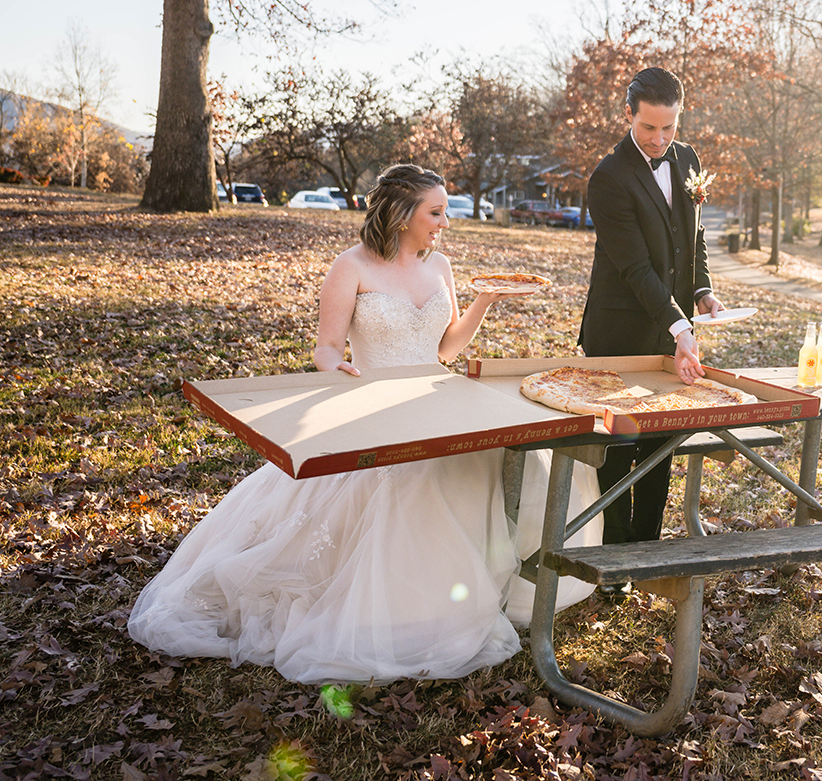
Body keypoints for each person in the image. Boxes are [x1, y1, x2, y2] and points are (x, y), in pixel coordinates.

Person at [128, 164, 600, 684]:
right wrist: (338, 369)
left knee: (502, 463)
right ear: (401, 215)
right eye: (436, 212)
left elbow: (446, 347)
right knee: (403, 484)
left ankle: (474, 588)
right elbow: (326, 348)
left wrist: (484, 300)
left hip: (439, 397)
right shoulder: (350, 266)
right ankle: (400, 609)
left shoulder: (439, 264)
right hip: (375, 405)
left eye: (445, 211)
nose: (446, 222)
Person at [578, 67, 726, 599]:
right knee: (619, 449)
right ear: (628, 115)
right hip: (619, 331)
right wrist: (679, 324)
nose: (659, 140)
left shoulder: (688, 160)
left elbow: (694, 235)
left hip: (672, 327)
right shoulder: (608, 178)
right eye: (648, 128)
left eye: (668, 128)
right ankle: (613, 568)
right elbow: (636, 267)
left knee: (663, 445)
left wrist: (702, 289)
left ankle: (646, 555)